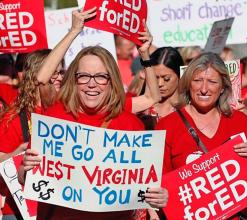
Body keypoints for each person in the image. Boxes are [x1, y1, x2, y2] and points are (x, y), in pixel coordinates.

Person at [20, 8, 168, 220]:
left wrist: (158, 198)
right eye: (84, 76)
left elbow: (145, 189)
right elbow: (26, 179)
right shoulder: (54, 118)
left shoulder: (130, 124)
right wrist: (25, 169)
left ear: (111, 81)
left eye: (100, 76)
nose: (92, 84)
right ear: (73, 79)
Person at [155, 52, 247, 219]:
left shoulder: (239, 120)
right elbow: (155, 188)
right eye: (197, 80)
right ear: (187, 84)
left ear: (222, 87)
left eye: (212, 82)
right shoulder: (167, 126)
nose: (203, 89)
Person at [0, 49, 59, 220]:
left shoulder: (68, 112)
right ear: (37, 76)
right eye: (53, 73)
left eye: (61, 72)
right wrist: (18, 151)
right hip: (21, 210)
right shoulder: (14, 117)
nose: (60, 78)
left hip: (59, 207)